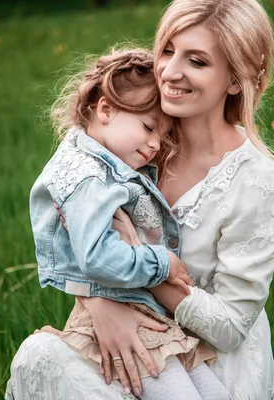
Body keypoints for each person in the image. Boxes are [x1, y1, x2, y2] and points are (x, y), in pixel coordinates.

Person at [6, 0, 274, 398]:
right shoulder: (133, 145)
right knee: (38, 357)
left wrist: (140, 260)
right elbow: (79, 242)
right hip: (122, 333)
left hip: (213, 364)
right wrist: (102, 305)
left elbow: (230, 329)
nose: (171, 72)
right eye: (168, 50)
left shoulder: (257, 179)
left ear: (235, 79)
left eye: (198, 61)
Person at [17, 47, 231, 400]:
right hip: (128, 315)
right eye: (148, 127)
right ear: (105, 110)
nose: (154, 144)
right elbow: (96, 257)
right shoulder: (88, 177)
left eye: (161, 136)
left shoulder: (99, 162)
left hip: (146, 314)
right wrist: (161, 263)